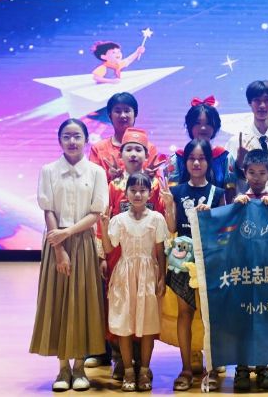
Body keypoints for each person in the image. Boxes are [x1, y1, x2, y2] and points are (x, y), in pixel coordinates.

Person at [29, 118, 109, 392]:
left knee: (82, 302)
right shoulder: (49, 170)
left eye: (77, 136)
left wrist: (68, 233)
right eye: (67, 136)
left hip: (83, 242)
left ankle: (79, 367)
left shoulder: (96, 172)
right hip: (56, 244)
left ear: (86, 140)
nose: (72, 141)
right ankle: (62, 368)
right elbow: (48, 209)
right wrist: (59, 247)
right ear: (59, 140)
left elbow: (96, 213)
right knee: (58, 301)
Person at [99, 128, 165, 380]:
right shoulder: (114, 185)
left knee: (145, 310)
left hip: (146, 254)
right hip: (120, 255)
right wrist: (103, 256)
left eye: (139, 149)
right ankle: (121, 360)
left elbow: (159, 222)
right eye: (129, 149)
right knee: (121, 309)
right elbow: (104, 221)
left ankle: (142, 363)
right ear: (121, 153)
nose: (134, 154)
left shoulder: (154, 184)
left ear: (146, 155)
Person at [160, 139, 226, 391]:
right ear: (185, 162)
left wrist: (210, 218)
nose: (196, 163)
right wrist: (168, 206)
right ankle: (186, 368)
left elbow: (224, 232)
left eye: (201, 158)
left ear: (209, 162)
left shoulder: (217, 193)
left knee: (212, 316)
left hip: (210, 260)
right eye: (191, 158)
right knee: (184, 314)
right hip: (181, 261)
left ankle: (212, 368)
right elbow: (171, 227)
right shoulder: (176, 192)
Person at [232, 149, 268, 391]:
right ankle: (241, 367)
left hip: (267, 271)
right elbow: (227, 229)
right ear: (245, 173)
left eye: (262, 173)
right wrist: (235, 207)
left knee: (264, 320)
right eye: (252, 172)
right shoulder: (239, 201)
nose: (257, 177)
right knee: (242, 320)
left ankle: (262, 366)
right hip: (242, 271)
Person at [167, 96, 236, 202]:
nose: (203, 128)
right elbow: (171, 197)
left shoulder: (224, 157)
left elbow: (230, 196)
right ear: (190, 125)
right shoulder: (178, 158)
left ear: (215, 126)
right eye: (198, 123)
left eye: (208, 123)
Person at [89, 92, 162, 183]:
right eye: (118, 111)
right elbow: (92, 182)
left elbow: (158, 184)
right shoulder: (98, 149)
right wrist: (110, 177)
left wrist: (149, 177)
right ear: (110, 116)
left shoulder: (149, 148)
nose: (123, 115)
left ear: (135, 114)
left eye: (127, 111)